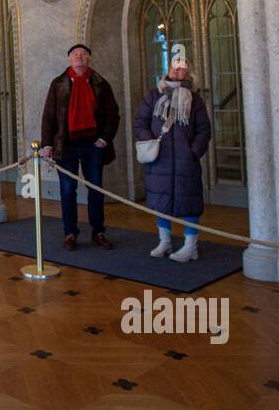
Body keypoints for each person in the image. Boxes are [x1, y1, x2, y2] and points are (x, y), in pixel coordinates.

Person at [40, 43, 120, 250]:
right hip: (65, 146)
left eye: (83, 54)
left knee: (95, 189)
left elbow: (113, 114)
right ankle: (70, 233)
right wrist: (47, 143)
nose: (79, 57)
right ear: (69, 59)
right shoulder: (58, 84)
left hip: (93, 145)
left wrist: (104, 139)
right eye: (75, 54)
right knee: (67, 190)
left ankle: (98, 231)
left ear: (89, 60)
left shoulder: (101, 83)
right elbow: (49, 116)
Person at [133, 59, 212, 262]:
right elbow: (140, 122)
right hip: (160, 158)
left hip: (186, 160)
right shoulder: (153, 95)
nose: (178, 71)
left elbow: (204, 130)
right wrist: (150, 142)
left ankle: (190, 245)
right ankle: (165, 241)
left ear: (188, 72)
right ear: (169, 70)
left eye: (182, 68)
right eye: (175, 67)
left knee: (190, 201)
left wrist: (193, 152)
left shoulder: (195, 100)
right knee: (162, 199)